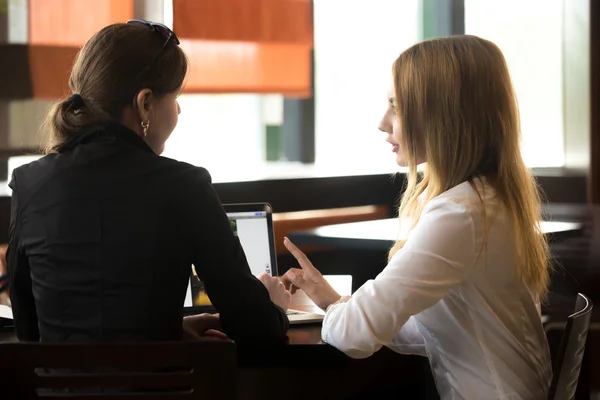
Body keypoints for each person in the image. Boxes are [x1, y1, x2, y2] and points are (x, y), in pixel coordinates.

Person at [282, 35, 552, 399]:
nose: (382, 123)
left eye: (396, 106)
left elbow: (353, 338)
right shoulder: (489, 198)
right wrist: (336, 303)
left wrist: (280, 307)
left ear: (443, 114)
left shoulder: (460, 213)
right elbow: (426, 329)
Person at [7, 20, 290, 346]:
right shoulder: (186, 187)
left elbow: (29, 331)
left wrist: (169, 332)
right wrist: (276, 309)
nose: (179, 109)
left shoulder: (29, 183)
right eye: (175, 95)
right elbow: (255, 328)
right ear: (145, 103)